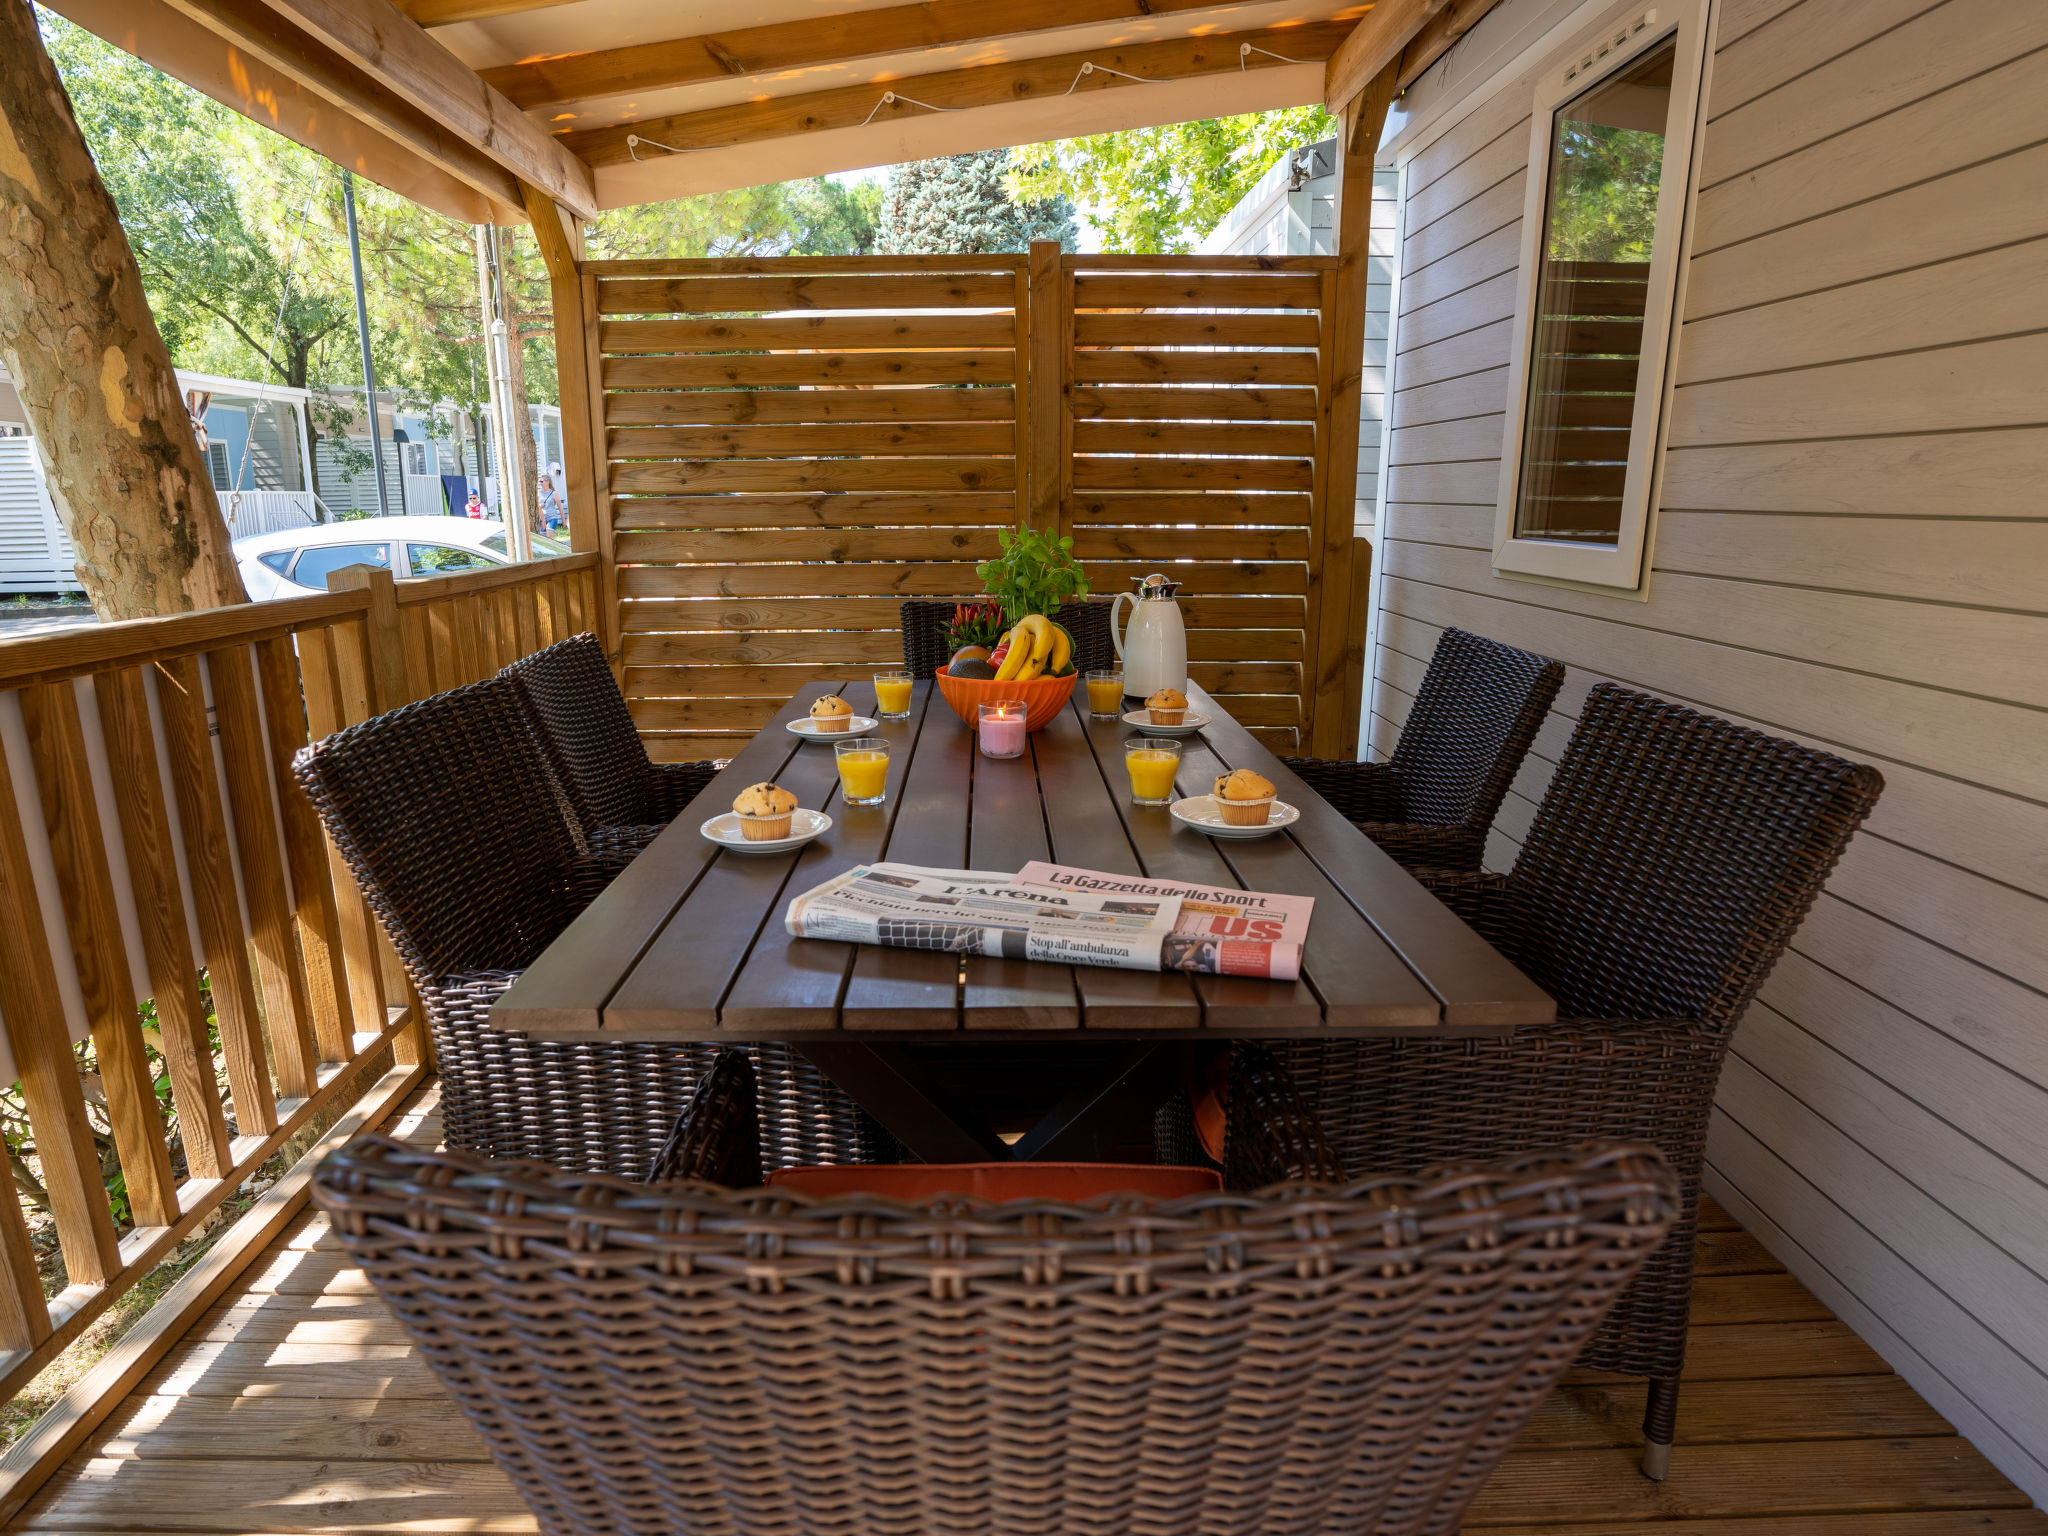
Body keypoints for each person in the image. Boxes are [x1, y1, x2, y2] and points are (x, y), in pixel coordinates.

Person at [540, 463, 566, 531]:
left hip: (552, 518)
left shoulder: (554, 493)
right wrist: (540, 505)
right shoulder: (538, 493)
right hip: (542, 519)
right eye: (540, 481)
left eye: (541, 481)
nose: (540, 482)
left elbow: (560, 507)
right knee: (543, 539)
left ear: (547, 482)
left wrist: (563, 520)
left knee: (548, 537)